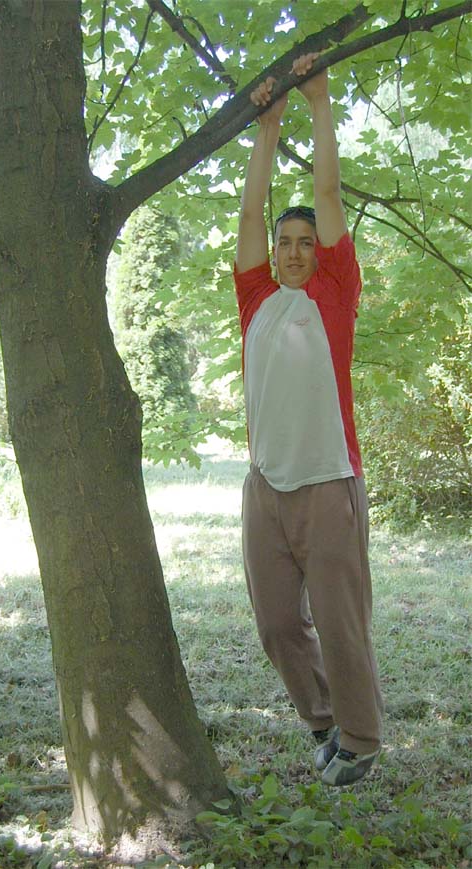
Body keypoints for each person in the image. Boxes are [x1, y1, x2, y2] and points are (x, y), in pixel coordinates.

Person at [234, 52, 384, 787]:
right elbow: (250, 214)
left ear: (319, 254)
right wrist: (267, 130)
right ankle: (321, 717)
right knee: (275, 622)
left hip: (328, 482)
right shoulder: (256, 297)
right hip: (265, 485)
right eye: (284, 243)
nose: (293, 251)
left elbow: (326, 190)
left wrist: (320, 105)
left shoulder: (334, 293)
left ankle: (360, 736)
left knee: (339, 618)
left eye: (304, 242)